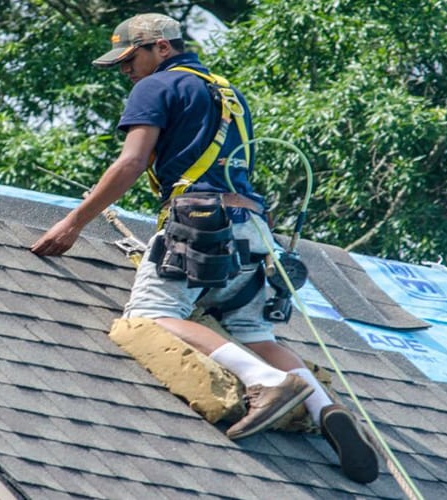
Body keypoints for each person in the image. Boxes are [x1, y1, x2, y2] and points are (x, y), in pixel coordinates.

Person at [30, 13, 378, 484]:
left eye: (130, 59)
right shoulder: (225, 92)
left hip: (198, 224)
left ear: (161, 48)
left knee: (151, 314)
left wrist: (73, 223)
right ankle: (324, 407)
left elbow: (132, 161)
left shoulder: (156, 86)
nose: (126, 71)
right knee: (253, 332)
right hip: (253, 232)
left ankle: (267, 383)